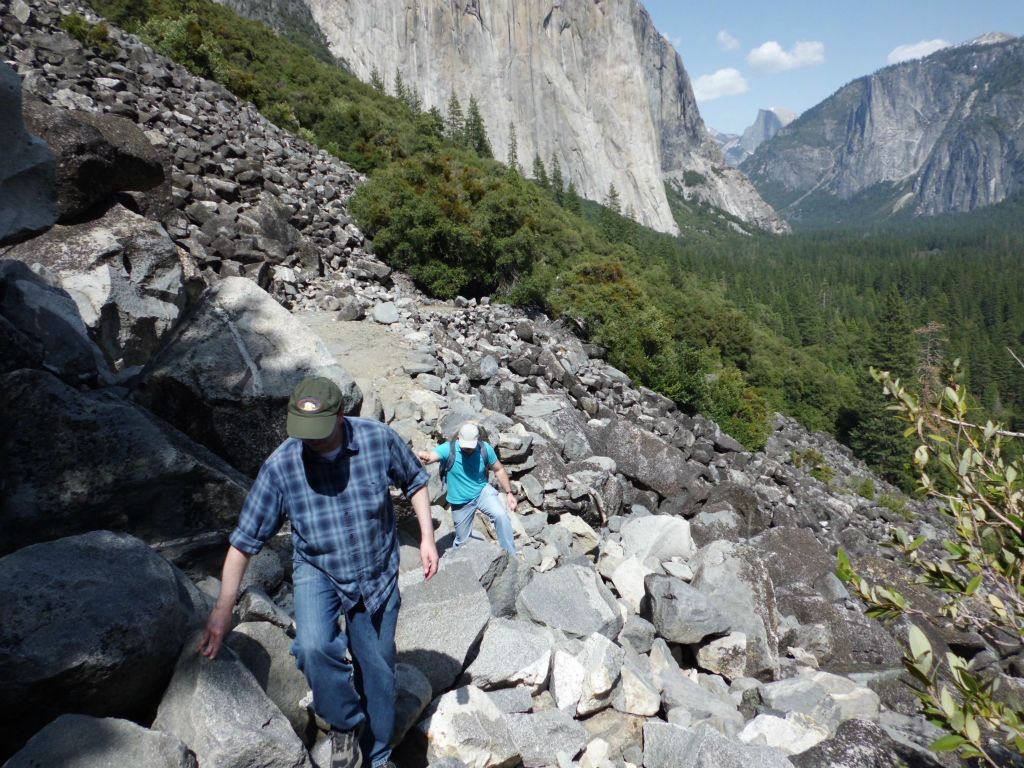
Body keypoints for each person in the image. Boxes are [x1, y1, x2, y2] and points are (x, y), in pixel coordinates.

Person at [197, 377, 439, 768]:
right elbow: (243, 542)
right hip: (317, 568)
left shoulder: (378, 439)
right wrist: (223, 608)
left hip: (375, 568)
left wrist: (427, 538)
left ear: (341, 415)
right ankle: (344, 724)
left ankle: (378, 756)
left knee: (376, 669)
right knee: (313, 647)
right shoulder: (281, 466)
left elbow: (415, 480)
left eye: (319, 431)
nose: (309, 441)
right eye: (303, 431)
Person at [416, 422, 518, 554]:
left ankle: (511, 555)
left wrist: (509, 493)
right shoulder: (448, 449)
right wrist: (424, 456)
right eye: (465, 446)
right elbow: (430, 457)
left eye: (471, 446)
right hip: (460, 501)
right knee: (462, 542)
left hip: (482, 491)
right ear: (458, 438)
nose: (468, 449)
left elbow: (499, 469)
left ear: (477, 440)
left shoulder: (484, 448)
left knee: (501, 515)